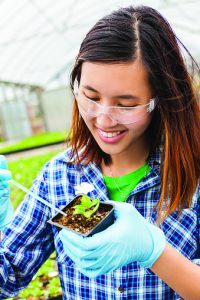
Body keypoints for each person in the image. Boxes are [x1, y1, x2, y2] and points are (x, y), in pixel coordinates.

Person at [0, 5, 199, 300]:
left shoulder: (192, 178)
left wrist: (155, 252)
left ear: (162, 100)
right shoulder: (59, 176)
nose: (104, 120)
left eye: (126, 104)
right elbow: (8, 277)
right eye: (91, 98)